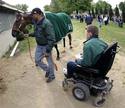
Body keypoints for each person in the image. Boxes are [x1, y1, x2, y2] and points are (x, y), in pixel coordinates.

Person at [30, 8, 56, 83]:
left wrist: (48, 50)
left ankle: (52, 76)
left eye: (33, 15)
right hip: (39, 46)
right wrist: (28, 34)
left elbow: (52, 38)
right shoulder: (36, 22)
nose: (32, 16)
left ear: (38, 14)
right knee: (37, 60)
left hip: (46, 46)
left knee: (49, 62)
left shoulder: (47, 23)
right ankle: (47, 70)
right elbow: (36, 33)